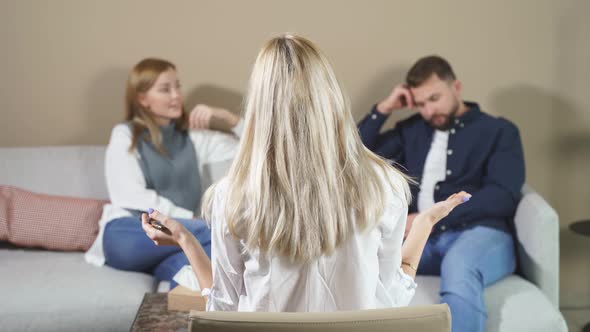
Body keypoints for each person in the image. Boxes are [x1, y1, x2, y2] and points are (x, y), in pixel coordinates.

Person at [140, 35, 470, 311]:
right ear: (331, 99)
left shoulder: (233, 195)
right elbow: (391, 300)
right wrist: (424, 223)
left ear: (260, 106)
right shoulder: (385, 186)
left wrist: (186, 241)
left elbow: (223, 311)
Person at [357, 55, 525, 332]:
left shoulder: (499, 131)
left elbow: (502, 197)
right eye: (421, 103)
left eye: (434, 98)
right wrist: (384, 109)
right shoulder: (411, 130)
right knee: (361, 259)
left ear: (456, 87)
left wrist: (428, 218)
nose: (427, 111)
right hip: (424, 240)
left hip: (480, 234)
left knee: (460, 266)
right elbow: (356, 155)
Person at [84, 58, 243, 288]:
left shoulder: (194, 139)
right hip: (128, 233)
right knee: (219, 234)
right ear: (142, 99)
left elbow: (255, 148)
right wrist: (186, 222)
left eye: (177, 86)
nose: (177, 95)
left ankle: (184, 320)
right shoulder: (125, 135)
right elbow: (129, 195)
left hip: (174, 241)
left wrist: (229, 119)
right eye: (165, 89)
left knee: (194, 273)